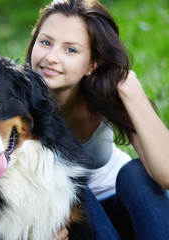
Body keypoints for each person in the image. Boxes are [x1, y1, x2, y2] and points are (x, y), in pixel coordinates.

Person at [25, 0, 169, 239]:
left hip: (128, 205)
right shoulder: (11, 100)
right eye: (45, 42)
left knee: (134, 172)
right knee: (69, 183)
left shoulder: (105, 92)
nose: (51, 57)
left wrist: (129, 88)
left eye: (70, 49)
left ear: (93, 63)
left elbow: (166, 174)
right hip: (74, 221)